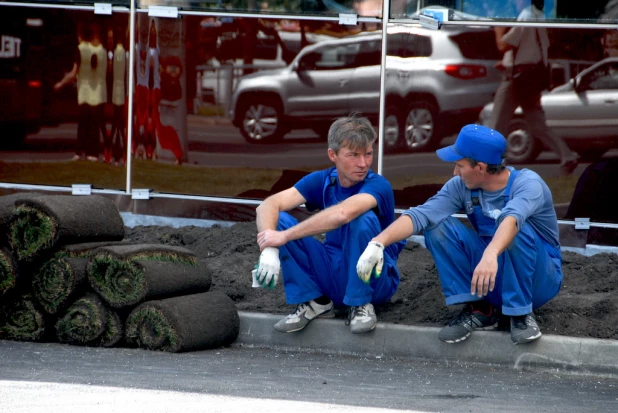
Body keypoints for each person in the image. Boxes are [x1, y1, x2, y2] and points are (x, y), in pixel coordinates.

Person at [357, 124, 564, 345]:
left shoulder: (528, 184)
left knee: (515, 227)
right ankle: (480, 309)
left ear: (481, 167)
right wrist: (378, 242)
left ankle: (520, 313)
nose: (455, 172)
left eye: (459, 165)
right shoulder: (461, 186)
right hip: (493, 274)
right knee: (436, 225)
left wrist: (491, 253)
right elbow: (422, 214)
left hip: (539, 280)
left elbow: (512, 219)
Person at [254, 115, 405, 334]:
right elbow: (268, 205)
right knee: (279, 220)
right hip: (333, 271)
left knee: (362, 218)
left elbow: (344, 213)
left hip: (375, 279)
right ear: (332, 155)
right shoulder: (324, 180)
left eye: (368, 154)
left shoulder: (378, 185)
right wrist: (269, 246)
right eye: (353, 155)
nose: (363, 163)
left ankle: (361, 304)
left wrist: (284, 237)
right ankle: (316, 302)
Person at [488, 0, 579, 175]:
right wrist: (508, 61)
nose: (515, 2)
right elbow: (536, 50)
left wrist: (498, 32)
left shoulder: (525, 16)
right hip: (532, 77)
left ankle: (495, 167)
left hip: (515, 80)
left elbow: (503, 45)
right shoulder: (539, 17)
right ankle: (567, 156)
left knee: (497, 123)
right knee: (537, 124)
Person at [55, 21, 107, 162]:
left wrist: (60, 84)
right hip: (99, 93)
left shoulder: (80, 49)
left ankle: (79, 153)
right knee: (94, 126)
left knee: (83, 125)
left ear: (80, 35)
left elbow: (73, 74)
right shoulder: (101, 51)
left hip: (84, 92)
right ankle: (93, 154)